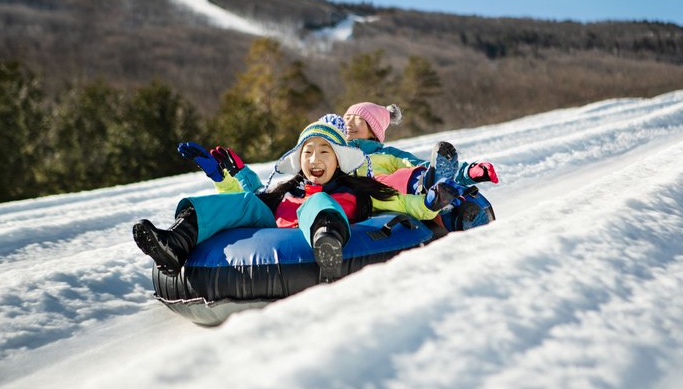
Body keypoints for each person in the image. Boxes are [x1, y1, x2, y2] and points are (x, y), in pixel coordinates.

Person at [133, 114, 465, 281]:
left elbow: (401, 203)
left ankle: (327, 243)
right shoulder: (287, 189)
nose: (314, 159)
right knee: (249, 203)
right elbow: (247, 199)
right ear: (299, 158)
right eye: (308, 152)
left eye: (325, 152)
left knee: (317, 202)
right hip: (276, 227)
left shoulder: (357, 191)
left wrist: (430, 203)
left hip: (320, 236)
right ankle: (176, 243)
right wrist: (221, 176)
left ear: (339, 159)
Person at [343, 101, 500, 193]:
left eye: (358, 120)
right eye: (347, 118)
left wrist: (468, 172)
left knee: (405, 176)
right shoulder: (331, 151)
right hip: (343, 203)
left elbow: (425, 167)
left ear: (373, 130)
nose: (349, 123)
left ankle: (436, 190)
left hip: (380, 201)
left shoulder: (387, 154)